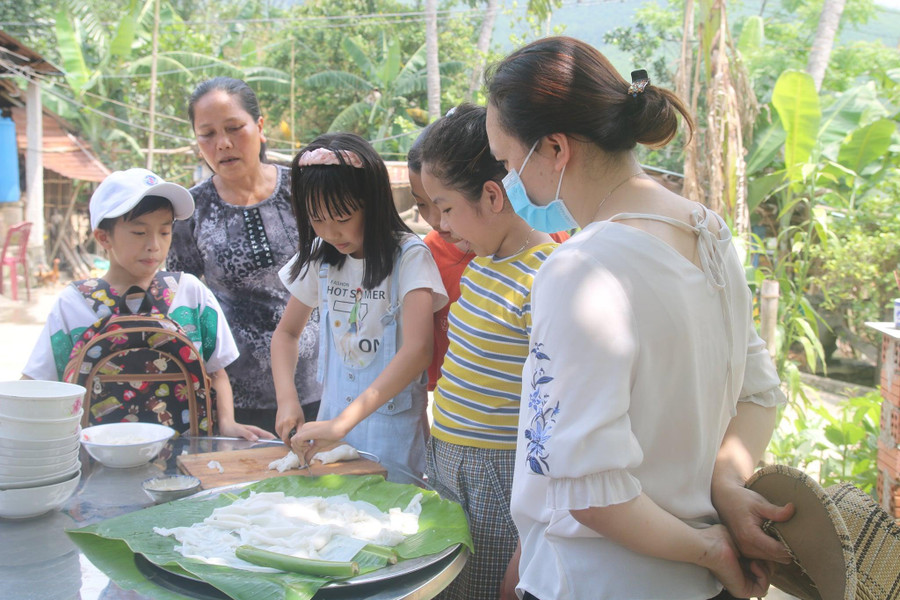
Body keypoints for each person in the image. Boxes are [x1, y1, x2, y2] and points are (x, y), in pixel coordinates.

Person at [484, 37, 791, 599]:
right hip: (703, 582)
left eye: (507, 162)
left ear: (554, 148)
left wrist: (710, 549)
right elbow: (758, 395)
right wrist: (725, 486)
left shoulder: (580, 267)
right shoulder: (708, 231)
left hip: (600, 582)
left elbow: (590, 492)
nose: (509, 182)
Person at [417, 103, 561, 600]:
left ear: (493, 195)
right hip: (448, 462)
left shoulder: (547, 276)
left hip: (499, 479)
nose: (439, 224)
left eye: (446, 207)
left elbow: (554, 422)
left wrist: (527, 548)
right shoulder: (480, 267)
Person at [22, 168, 272, 442]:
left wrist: (227, 422)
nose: (154, 245)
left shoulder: (191, 292)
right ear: (103, 237)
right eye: (139, 232)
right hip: (97, 454)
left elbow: (216, 372)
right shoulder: (72, 304)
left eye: (164, 231)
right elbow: (36, 384)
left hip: (188, 451)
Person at [272, 133, 448, 476]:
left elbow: (418, 350)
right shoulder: (320, 258)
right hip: (329, 436)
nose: (330, 232)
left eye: (342, 219)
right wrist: (287, 400)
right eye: (317, 219)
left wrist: (343, 423)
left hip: (392, 440)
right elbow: (286, 335)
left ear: (372, 203)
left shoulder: (410, 257)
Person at [168, 77, 322, 434]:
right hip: (232, 404)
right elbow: (182, 306)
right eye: (207, 134)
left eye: (234, 128)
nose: (222, 143)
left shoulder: (304, 191)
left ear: (260, 127)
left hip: (319, 386)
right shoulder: (191, 212)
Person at [407, 123, 476, 391]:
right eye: (422, 204)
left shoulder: (544, 244)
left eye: (443, 205)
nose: (436, 221)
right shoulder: (426, 255)